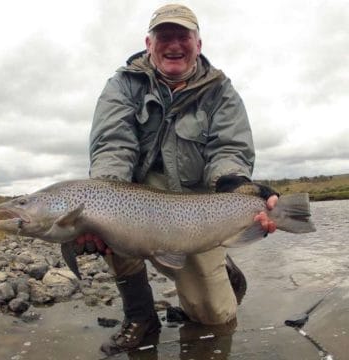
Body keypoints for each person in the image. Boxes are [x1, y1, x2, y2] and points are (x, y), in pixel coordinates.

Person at [76, 4, 278, 355]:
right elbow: (112, 146)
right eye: (164, 36)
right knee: (105, 217)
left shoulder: (221, 93)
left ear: (198, 44)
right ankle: (141, 317)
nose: (174, 44)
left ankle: (220, 258)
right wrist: (101, 199)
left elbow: (230, 149)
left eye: (183, 36)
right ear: (148, 42)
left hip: (197, 207)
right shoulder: (123, 85)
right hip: (136, 196)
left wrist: (235, 185)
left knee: (216, 317)